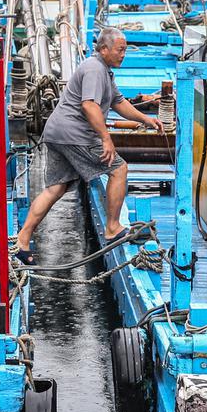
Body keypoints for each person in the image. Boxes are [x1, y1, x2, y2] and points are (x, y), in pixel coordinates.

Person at [15, 27, 164, 264]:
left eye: (125, 50)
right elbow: (89, 106)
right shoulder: (95, 70)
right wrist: (106, 139)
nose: (123, 55)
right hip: (74, 133)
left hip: (57, 132)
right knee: (118, 169)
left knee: (56, 188)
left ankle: (22, 240)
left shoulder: (104, 71)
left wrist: (145, 119)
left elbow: (118, 101)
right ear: (104, 49)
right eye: (120, 50)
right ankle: (113, 227)